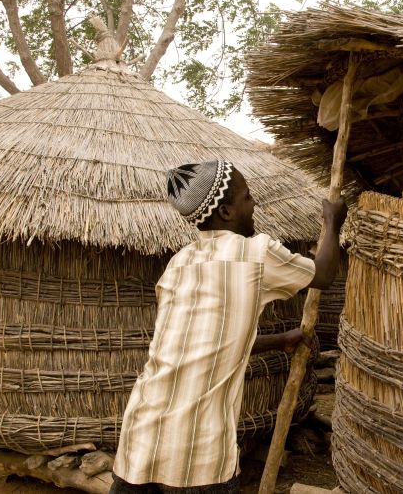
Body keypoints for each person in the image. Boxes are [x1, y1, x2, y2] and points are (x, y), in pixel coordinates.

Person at [111, 160, 347, 493]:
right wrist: (332, 222)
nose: (254, 205)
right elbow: (322, 274)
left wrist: (281, 340)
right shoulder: (256, 253)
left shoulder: (179, 264)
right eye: (247, 197)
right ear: (225, 211)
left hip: (140, 436)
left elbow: (204, 342)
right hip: (198, 452)